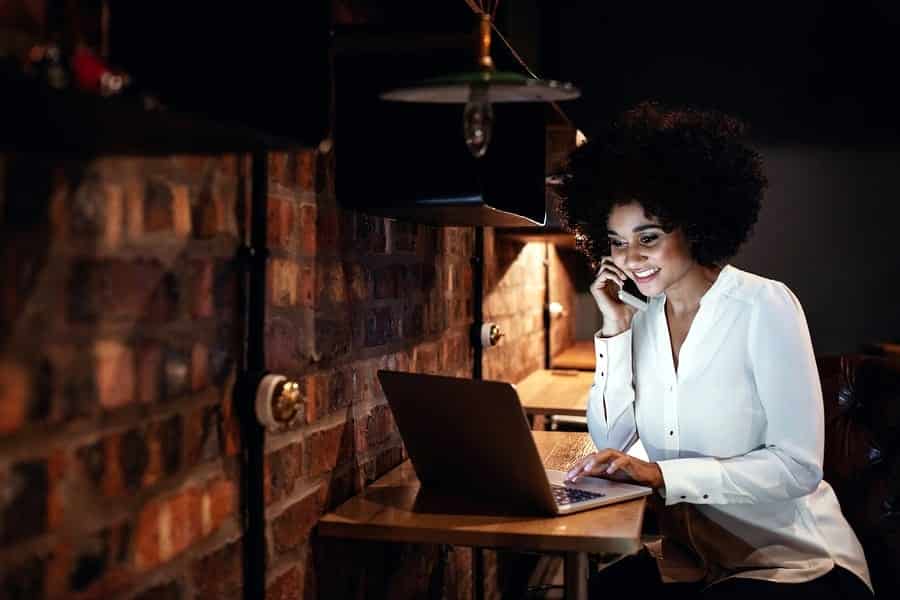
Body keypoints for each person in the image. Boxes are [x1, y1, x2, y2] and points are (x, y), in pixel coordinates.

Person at [558, 102, 872, 598]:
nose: (630, 258)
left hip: (795, 563)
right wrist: (615, 327)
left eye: (650, 237)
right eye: (616, 242)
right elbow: (610, 437)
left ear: (697, 225)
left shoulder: (763, 306)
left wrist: (663, 475)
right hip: (697, 559)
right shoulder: (641, 323)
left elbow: (798, 466)